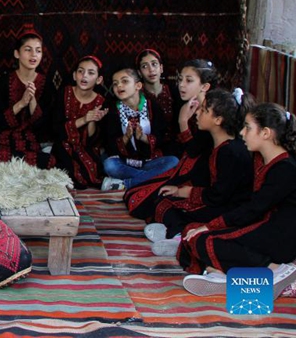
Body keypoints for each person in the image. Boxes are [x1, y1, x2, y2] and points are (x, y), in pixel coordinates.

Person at [179, 103, 296, 298]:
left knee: (202, 239)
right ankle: (225, 277)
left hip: (280, 237)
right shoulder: (262, 159)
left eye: (248, 128)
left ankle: (275, 270)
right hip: (264, 228)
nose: (242, 132)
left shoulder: (286, 168)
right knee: (191, 233)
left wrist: (212, 226)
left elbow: (254, 209)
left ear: (266, 133)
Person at [144, 88, 253, 256]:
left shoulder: (231, 151)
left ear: (218, 119)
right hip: (216, 199)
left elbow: (220, 195)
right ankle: (173, 230)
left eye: (204, 110)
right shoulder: (217, 144)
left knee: (173, 205)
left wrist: (185, 192)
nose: (197, 114)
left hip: (229, 208)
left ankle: (180, 237)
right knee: (162, 200)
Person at [123, 59, 219, 219]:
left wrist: (183, 123)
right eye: (180, 79)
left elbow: (198, 153)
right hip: (185, 167)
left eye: (189, 81)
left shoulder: (212, 113)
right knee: (132, 195)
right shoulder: (187, 105)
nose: (181, 85)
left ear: (205, 86)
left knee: (142, 204)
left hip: (203, 177)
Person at [0, 27, 54, 168]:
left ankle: (18, 163)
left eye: (38, 50)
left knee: (50, 161)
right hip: (4, 140)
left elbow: (45, 126)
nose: (34, 55)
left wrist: (32, 102)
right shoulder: (4, 81)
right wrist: (22, 103)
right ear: (17, 53)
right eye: (28, 49)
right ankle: (22, 164)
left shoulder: (46, 83)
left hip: (31, 140)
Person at [101, 67, 179, 191]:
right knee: (109, 165)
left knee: (173, 162)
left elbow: (163, 136)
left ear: (138, 85)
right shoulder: (111, 109)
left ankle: (125, 184)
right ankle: (154, 180)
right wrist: (125, 138)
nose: (119, 85)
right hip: (124, 162)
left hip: (150, 161)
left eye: (124, 81)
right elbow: (108, 144)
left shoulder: (152, 106)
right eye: (115, 83)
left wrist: (143, 138)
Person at [50, 56, 109, 189]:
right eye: (81, 71)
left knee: (91, 171)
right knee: (65, 168)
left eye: (91, 73)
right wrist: (83, 119)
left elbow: (93, 141)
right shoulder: (64, 93)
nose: (84, 76)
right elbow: (56, 129)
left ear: (99, 80)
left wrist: (92, 120)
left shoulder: (101, 102)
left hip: (87, 148)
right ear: (74, 75)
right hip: (63, 144)